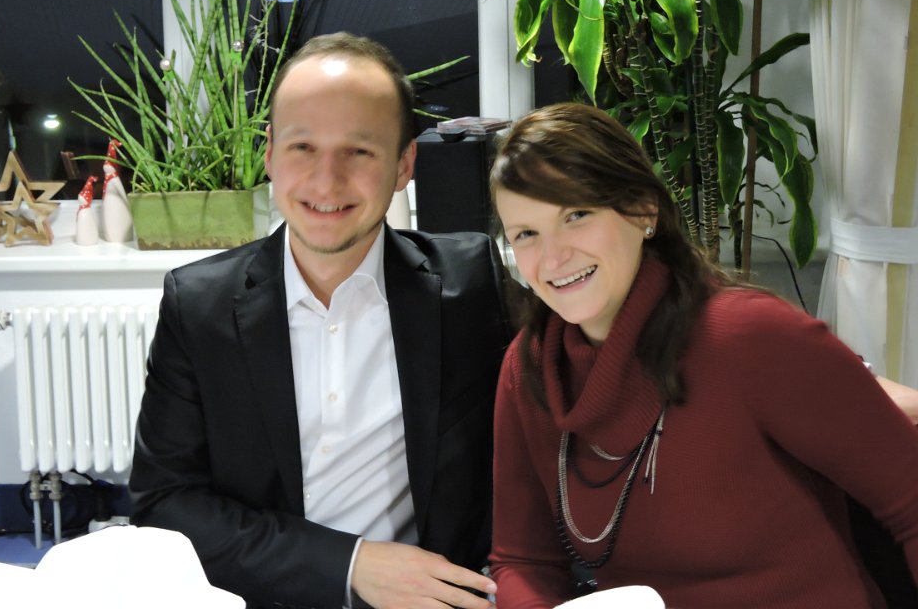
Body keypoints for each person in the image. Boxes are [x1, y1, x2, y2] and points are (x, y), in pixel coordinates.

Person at [129, 32, 515, 609]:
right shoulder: (198, 305)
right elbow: (163, 504)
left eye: (359, 151)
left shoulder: (471, 283)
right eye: (303, 146)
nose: (326, 181)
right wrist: (350, 565)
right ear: (269, 154)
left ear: (404, 163)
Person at [487, 102, 918, 608]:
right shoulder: (530, 368)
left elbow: (910, 501)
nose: (553, 256)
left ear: (643, 210)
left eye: (576, 215)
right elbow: (523, 560)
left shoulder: (751, 337)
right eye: (526, 234)